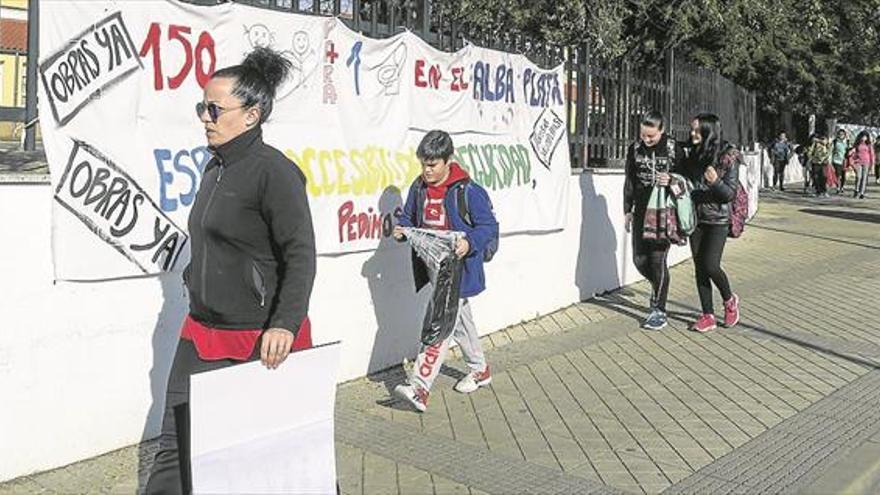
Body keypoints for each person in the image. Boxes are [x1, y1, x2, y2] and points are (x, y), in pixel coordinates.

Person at [145, 47, 317, 494]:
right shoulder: (213, 167)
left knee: (266, 459)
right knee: (176, 447)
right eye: (202, 106)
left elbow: (301, 254)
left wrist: (284, 323)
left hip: (258, 339)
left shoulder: (275, 173)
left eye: (215, 109)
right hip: (200, 332)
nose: (205, 116)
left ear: (251, 115)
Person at [392, 130, 499, 412]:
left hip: (457, 270)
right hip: (432, 268)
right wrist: (402, 230)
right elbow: (409, 216)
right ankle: (480, 369)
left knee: (439, 324)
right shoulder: (419, 187)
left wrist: (468, 242)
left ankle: (419, 388)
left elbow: (489, 227)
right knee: (459, 322)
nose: (427, 171)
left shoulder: (469, 191)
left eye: (432, 165)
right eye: (423, 165)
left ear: (448, 160)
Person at [623, 111, 684, 330]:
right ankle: (659, 285)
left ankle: (659, 309)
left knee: (657, 260)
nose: (646, 140)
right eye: (643, 135)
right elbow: (629, 180)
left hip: (663, 213)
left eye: (651, 136)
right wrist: (627, 210)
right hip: (640, 211)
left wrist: (672, 179)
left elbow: (686, 179)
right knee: (639, 261)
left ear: (662, 131)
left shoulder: (673, 149)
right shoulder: (635, 149)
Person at [681, 113, 740, 333]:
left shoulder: (728, 156)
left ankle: (729, 299)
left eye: (697, 130)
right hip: (696, 218)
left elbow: (729, 195)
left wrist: (715, 182)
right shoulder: (692, 154)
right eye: (692, 129)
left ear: (709, 131)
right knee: (699, 267)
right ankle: (707, 315)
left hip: (718, 219)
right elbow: (681, 174)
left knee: (711, 265)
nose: (692, 134)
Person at [807, 132, 832, 197]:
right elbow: (810, 151)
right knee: (816, 177)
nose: (823, 140)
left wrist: (825, 157)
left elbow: (829, 151)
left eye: (824, 139)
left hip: (824, 162)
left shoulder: (827, 144)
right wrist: (811, 158)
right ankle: (818, 191)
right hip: (815, 162)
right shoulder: (815, 144)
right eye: (822, 138)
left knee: (824, 177)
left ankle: (824, 191)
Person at [853, 130, 875, 199]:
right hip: (858, 162)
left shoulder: (869, 145)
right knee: (858, 176)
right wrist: (854, 158)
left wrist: (872, 164)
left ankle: (862, 192)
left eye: (865, 137)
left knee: (864, 178)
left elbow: (872, 154)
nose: (863, 138)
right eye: (862, 136)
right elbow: (854, 153)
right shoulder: (857, 144)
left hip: (866, 162)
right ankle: (856, 190)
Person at [831, 129, 849, 194]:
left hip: (844, 160)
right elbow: (831, 151)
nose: (841, 135)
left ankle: (842, 187)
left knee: (843, 175)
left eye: (842, 134)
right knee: (838, 175)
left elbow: (849, 150)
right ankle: (838, 187)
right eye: (839, 134)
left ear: (844, 135)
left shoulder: (847, 141)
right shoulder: (835, 141)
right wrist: (830, 160)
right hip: (836, 160)